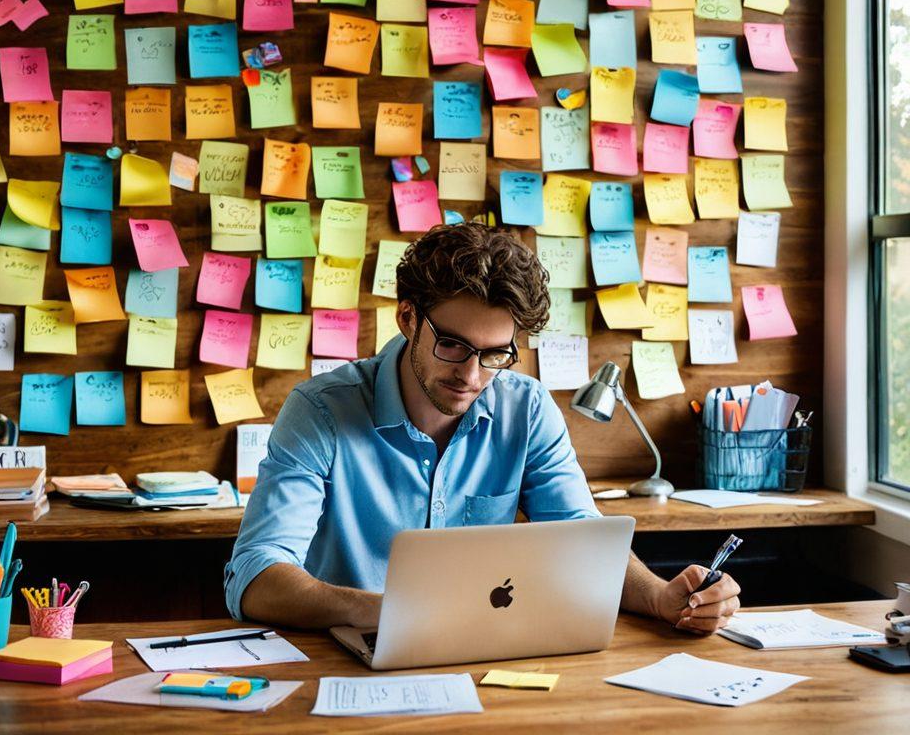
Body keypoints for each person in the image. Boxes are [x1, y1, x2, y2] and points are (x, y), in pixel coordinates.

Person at [224, 223, 741, 635]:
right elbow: (255, 577)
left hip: (485, 651)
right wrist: (388, 611)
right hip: (348, 655)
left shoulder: (527, 409)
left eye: (495, 354)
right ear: (408, 319)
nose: (471, 376)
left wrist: (660, 596)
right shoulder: (320, 411)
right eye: (452, 344)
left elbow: (582, 542)